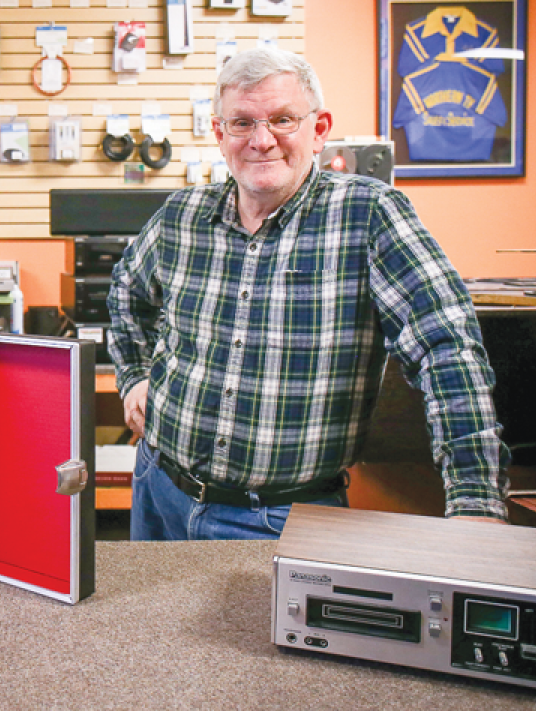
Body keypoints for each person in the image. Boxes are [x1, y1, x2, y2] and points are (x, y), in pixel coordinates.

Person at [107, 47, 509, 542]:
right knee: (147, 622)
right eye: (242, 123)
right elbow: (126, 292)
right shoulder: (182, 216)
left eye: (282, 120)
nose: (261, 141)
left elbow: (446, 348)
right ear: (219, 134)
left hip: (281, 521)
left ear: (319, 130)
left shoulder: (370, 216)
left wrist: (475, 498)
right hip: (159, 491)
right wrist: (134, 377)